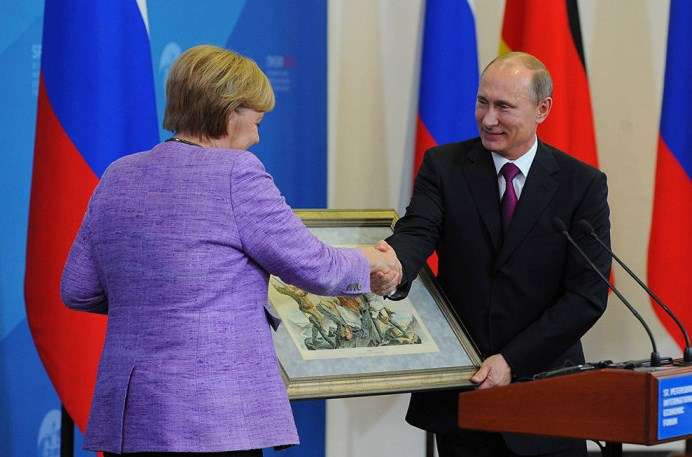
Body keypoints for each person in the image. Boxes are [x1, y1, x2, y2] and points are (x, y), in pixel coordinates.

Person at [60, 45, 401, 457]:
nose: (257, 136)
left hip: (131, 417)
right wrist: (373, 260)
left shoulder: (119, 175)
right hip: (212, 417)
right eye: (257, 121)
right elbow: (315, 266)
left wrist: (151, 301)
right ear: (229, 111)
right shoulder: (236, 172)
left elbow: (77, 289)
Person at [375, 52, 611, 456]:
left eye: (504, 107)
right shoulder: (444, 166)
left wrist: (513, 360)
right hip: (463, 397)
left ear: (542, 109)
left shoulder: (581, 185)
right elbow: (417, 231)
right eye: (482, 102)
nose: (488, 119)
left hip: (545, 398)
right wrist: (394, 266)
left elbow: (587, 295)